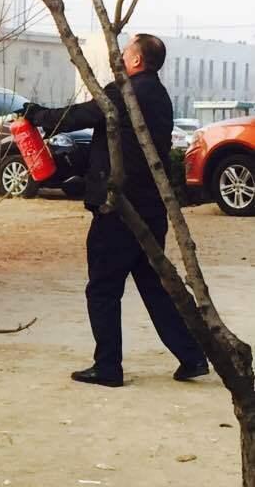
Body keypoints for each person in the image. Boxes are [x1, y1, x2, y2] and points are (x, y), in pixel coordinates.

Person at [22, 34, 207, 387]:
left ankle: (108, 367)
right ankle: (192, 356)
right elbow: (115, 139)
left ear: (136, 61)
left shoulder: (127, 91)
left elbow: (81, 115)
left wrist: (38, 115)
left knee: (103, 289)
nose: (118, 57)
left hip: (119, 207)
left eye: (124, 52)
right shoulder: (160, 95)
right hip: (151, 207)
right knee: (154, 285)